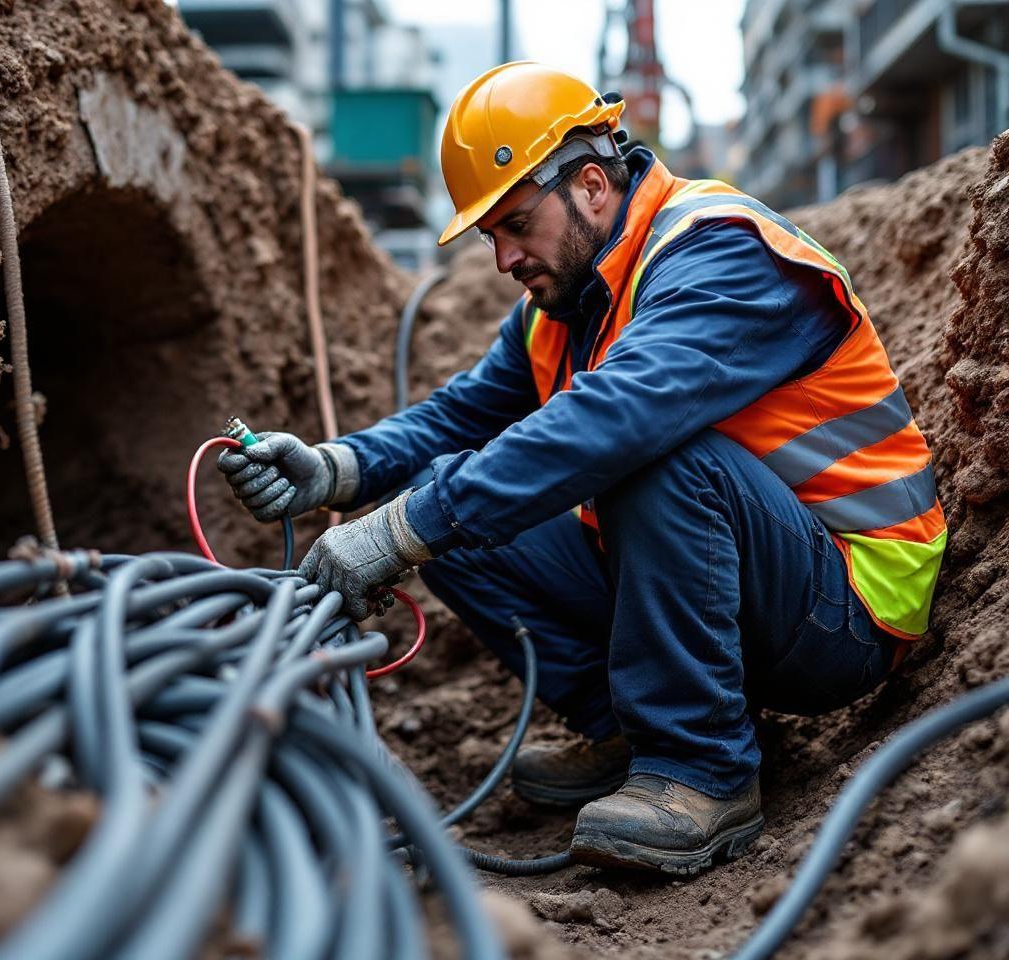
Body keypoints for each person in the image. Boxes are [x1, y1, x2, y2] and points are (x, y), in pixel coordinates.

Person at [216, 63, 945, 876]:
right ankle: (633, 732)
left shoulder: (722, 252)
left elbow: (617, 420)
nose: (503, 258)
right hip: (738, 585)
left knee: (648, 457)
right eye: (491, 235)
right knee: (454, 514)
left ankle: (701, 769)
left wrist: (399, 531)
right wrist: (337, 468)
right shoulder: (566, 303)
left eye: (516, 223)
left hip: (844, 609)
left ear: (592, 185)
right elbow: (460, 416)